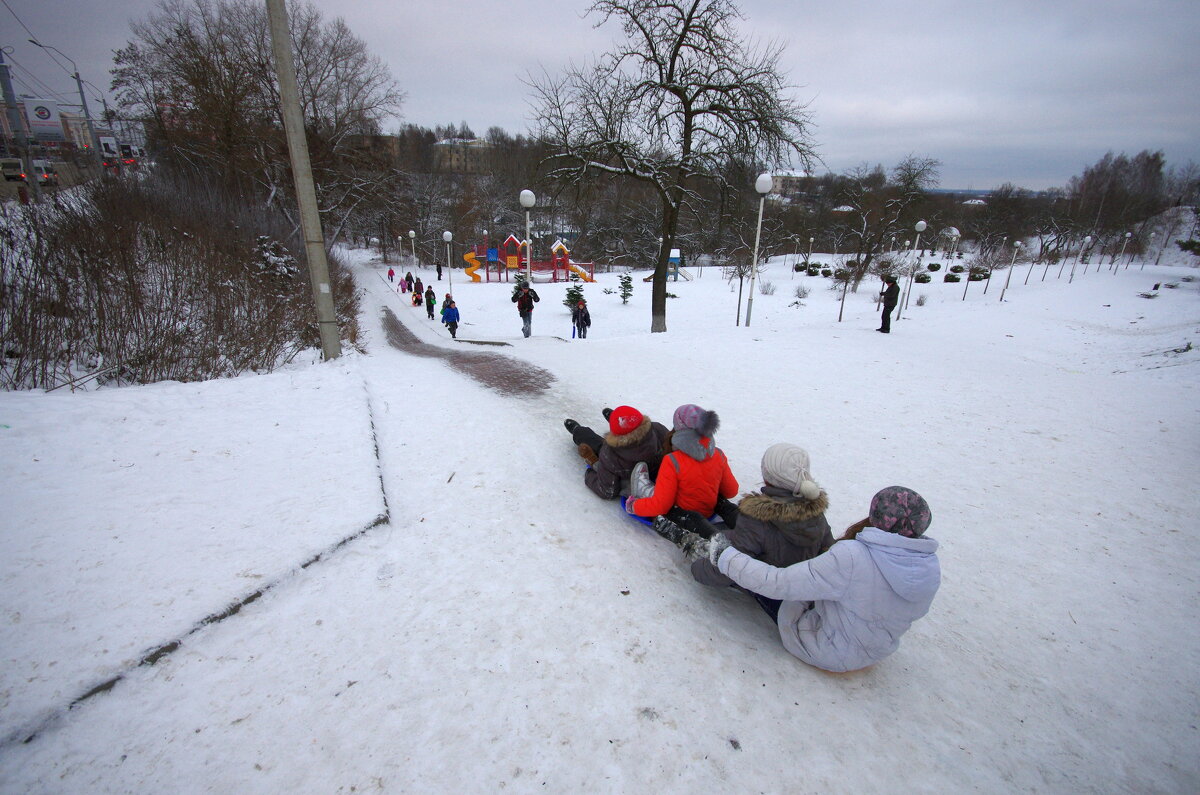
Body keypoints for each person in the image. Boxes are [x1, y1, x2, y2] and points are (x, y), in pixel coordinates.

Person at [655, 486, 939, 673]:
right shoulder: (927, 566)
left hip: (823, 645)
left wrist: (725, 556)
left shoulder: (854, 557)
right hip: (874, 649)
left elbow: (777, 583)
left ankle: (694, 543)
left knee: (755, 574)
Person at [678, 443, 834, 588]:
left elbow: (732, 567)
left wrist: (698, 568)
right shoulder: (816, 512)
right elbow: (829, 551)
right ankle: (721, 507)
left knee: (714, 533)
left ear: (768, 477)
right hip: (796, 579)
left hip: (770, 587)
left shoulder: (758, 521)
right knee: (736, 519)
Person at [624, 404, 738, 537]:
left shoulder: (673, 460)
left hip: (682, 518)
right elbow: (732, 490)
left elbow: (661, 506)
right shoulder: (718, 454)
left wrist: (634, 506)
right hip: (707, 512)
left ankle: (644, 490)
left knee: (656, 495)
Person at [564, 406, 670, 500]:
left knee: (597, 445)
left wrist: (589, 474)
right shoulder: (657, 429)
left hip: (634, 481)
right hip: (661, 474)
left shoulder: (610, 454)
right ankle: (622, 422)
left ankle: (578, 431)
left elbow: (607, 491)